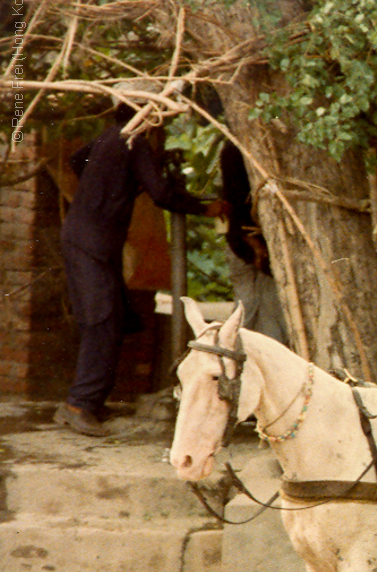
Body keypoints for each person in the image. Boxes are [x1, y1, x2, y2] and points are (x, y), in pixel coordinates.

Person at [56, 87, 228, 436]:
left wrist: (108, 187)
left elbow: (78, 161)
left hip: (87, 240)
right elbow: (163, 194)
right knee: (102, 320)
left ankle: (89, 399)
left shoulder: (112, 137)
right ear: (151, 117)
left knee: (112, 318)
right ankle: (79, 405)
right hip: (92, 244)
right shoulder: (134, 143)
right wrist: (204, 207)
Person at [218, 142, 290, 345]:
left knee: (265, 307)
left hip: (256, 244)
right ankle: (232, 353)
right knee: (248, 308)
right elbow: (237, 199)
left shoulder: (236, 150)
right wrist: (255, 246)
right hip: (249, 244)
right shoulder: (236, 151)